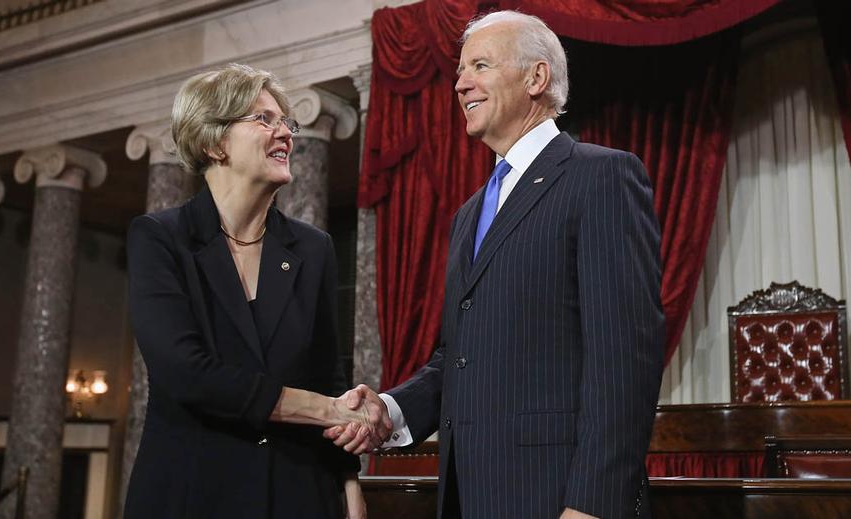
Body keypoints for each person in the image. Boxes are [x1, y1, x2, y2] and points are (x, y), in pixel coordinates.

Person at [328, 11, 665, 519]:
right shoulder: (469, 214)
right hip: (470, 495)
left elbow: (623, 359)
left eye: (480, 66)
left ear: (536, 78)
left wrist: (593, 504)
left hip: (558, 497)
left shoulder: (602, 178)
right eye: (461, 70)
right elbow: (459, 357)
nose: (461, 83)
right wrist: (391, 409)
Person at [124, 63, 388, 519]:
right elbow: (186, 373)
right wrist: (328, 410)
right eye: (264, 119)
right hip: (191, 490)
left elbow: (326, 374)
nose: (285, 133)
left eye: (286, 122)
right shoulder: (160, 238)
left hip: (297, 490)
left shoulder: (313, 247)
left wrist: (347, 481)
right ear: (212, 141)